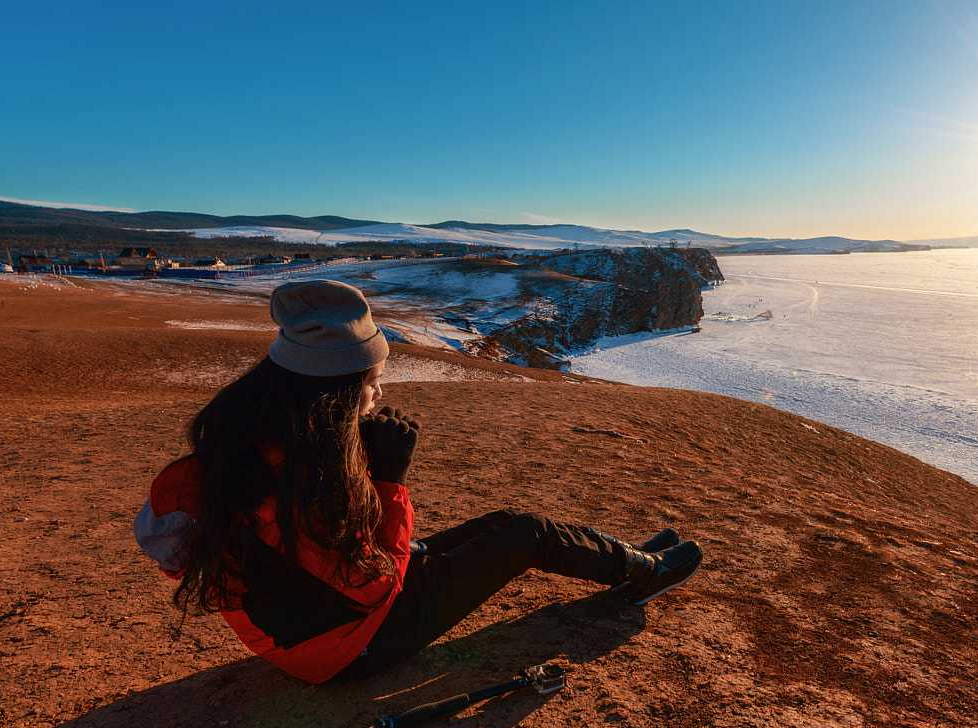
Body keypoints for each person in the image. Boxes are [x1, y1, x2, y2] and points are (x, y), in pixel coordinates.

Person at [134, 279, 702, 684]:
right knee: (521, 534)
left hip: (312, 626)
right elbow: (375, 585)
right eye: (373, 382)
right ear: (335, 390)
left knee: (505, 527)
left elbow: (333, 561)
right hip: (344, 648)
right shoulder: (293, 481)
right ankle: (642, 574)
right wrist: (388, 481)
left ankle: (623, 559)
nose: (380, 394)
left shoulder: (261, 438)